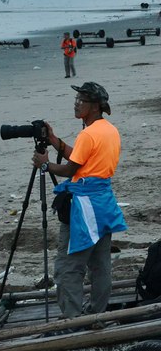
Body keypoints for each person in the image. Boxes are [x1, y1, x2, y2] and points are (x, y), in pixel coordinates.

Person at [32, 82, 127, 320]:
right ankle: (97, 313)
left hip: (84, 207)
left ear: (95, 107)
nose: (76, 104)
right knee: (100, 264)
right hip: (104, 203)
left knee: (68, 267)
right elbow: (83, 158)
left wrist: (44, 164)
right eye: (76, 99)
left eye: (81, 100)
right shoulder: (110, 130)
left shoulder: (88, 134)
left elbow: (70, 168)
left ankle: (73, 319)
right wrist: (54, 140)